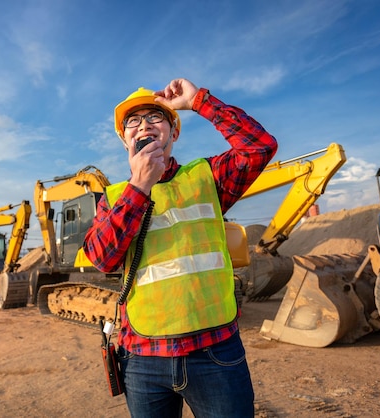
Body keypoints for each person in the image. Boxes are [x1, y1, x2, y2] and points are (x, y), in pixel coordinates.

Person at [83, 78, 277, 417]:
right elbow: (102, 258)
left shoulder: (207, 177)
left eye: (156, 117)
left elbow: (259, 146)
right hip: (143, 359)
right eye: (133, 120)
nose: (143, 124)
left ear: (173, 132)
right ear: (124, 138)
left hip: (215, 353)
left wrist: (200, 100)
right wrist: (140, 185)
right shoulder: (112, 198)